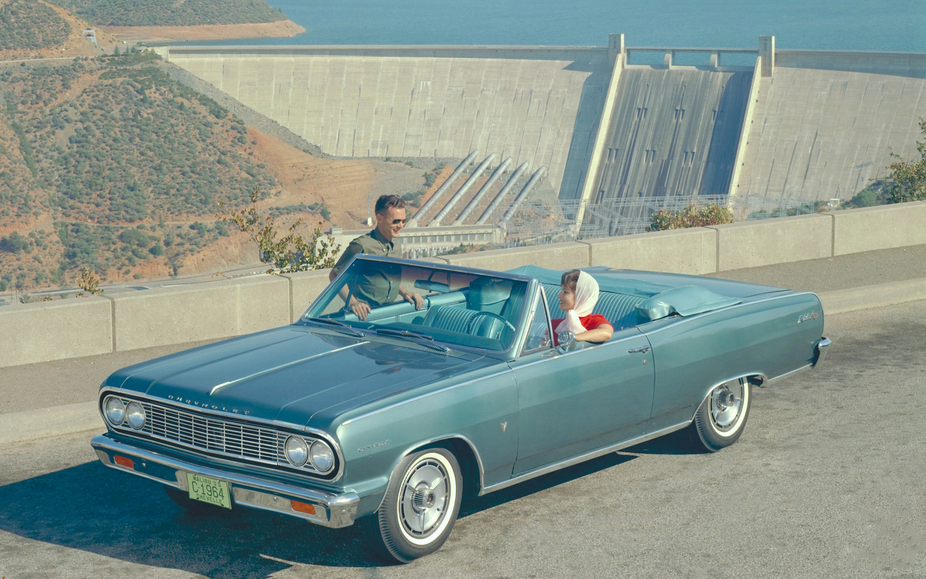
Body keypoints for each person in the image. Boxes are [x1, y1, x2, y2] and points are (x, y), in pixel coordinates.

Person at [328, 195, 424, 320]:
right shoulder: (361, 245)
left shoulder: (397, 245)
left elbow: (390, 279)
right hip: (362, 316)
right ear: (380, 218)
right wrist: (352, 303)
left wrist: (405, 293)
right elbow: (334, 275)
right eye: (396, 221)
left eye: (403, 221)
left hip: (388, 313)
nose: (401, 225)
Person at [551, 269, 613, 345]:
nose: (559, 296)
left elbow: (606, 333)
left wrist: (572, 338)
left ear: (581, 297)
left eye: (565, 292)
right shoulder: (555, 324)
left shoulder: (593, 321)